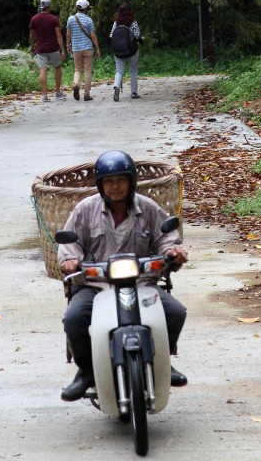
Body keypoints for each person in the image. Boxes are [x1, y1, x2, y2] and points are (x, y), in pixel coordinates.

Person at [58, 150, 189, 402]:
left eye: (120, 180)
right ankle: (86, 371)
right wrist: (70, 259)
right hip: (96, 284)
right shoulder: (85, 209)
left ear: (131, 181)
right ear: (100, 185)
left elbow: (166, 238)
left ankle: (161, 361)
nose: (115, 186)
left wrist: (172, 251)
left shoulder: (148, 208)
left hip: (140, 282)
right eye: (108, 181)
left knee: (175, 312)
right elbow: (69, 242)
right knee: (73, 318)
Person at [29, 0, 66, 101]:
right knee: (57, 67)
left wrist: (32, 48)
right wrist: (62, 50)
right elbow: (58, 35)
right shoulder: (54, 19)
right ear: (50, 6)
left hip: (41, 49)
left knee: (43, 69)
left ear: (41, 6)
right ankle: (57, 92)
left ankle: (44, 95)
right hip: (53, 48)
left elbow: (32, 36)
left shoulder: (34, 19)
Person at [65, 0, 100, 101]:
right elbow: (93, 36)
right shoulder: (89, 20)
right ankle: (86, 94)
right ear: (86, 8)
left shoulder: (70, 19)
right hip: (88, 48)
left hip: (76, 48)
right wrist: (97, 48)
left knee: (78, 69)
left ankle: (76, 84)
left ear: (76, 7)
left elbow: (67, 34)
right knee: (88, 70)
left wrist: (68, 46)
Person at [110, 2, 143, 101]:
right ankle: (133, 92)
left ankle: (116, 88)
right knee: (133, 71)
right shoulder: (133, 22)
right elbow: (137, 35)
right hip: (131, 50)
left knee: (119, 71)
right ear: (130, 11)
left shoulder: (116, 23)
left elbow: (111, 35)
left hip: (118, 51)